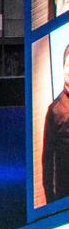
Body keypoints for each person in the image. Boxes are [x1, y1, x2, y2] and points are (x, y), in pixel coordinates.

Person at [43, 45, 69, 205]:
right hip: (64, 195)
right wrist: (51, 204)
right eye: (68, 65)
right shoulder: (55, 109)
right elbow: (47, 160)